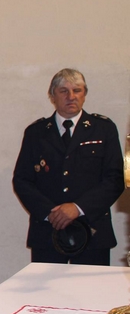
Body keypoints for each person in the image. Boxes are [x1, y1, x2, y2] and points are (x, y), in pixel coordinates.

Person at [12, 68, 124, 265]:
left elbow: (115, 179)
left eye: (77, 90)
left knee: (91, 286)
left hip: (93, 231)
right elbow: (22, 180)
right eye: (63, 91)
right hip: (48, 232)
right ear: (52, 96)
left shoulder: (103, 129)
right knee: (45, 287)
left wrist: (78, 208)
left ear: (84, 94)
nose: (71, 96)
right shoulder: (36, 133)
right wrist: (51, 213)